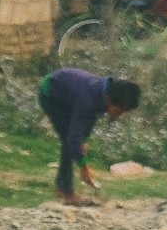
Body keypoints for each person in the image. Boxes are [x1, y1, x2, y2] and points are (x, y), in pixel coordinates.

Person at [36, 67, 140, 205]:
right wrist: (83, 166)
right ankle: (67, 192)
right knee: (69, 141)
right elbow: (74, 135)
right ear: (109, 100)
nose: (118, 115)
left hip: (70, 95)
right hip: (51, 94)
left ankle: (62, 187)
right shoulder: (88, 98)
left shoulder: (101, 95)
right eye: (119, 110)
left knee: (74, 142)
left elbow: (89, 120)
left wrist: (82, 141)